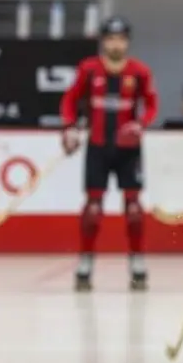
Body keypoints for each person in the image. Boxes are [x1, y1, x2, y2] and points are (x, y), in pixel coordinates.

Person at [59, 17, 159, 292]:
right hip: (98, 147)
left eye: (121, 39)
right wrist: (69, 127)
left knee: (134, 209)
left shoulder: (139, 72)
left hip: (129, 150)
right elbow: (70, 99)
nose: (116, 44)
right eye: (111, 39)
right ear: (103, 41)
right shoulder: (89, 69)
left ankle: (137, 263)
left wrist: (140, 124)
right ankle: (85, 262)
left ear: (127, 42)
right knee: (92, 208)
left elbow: (151, 104)